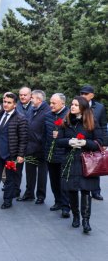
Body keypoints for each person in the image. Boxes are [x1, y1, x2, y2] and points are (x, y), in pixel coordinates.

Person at [56, 96, 103, 233]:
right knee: (71, 190)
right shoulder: (66, 121)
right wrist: (69, 142)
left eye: (76, 105)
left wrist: (85, 143)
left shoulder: (91, 121)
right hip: (70, 160)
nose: (73, 106)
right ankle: (75, 217)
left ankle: (86, 221)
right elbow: (59, 141)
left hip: (86, 161)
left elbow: (99, 142)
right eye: (72, 104)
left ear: (83, 107)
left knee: (85, 190)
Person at [19, 90, 50, 204]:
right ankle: (29, 193)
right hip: (30, 147)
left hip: (42, 148)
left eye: (32, 98)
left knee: (42, 174)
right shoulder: (32, 110)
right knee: (30, 172)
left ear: (39, 100)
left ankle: (41, 196)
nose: (30, 99)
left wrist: (42, 142)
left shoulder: (47, 111)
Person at [44, 93, 70, 218]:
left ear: (63, 103)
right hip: (50, 153)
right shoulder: (48, 115)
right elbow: (44, 134)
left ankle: (66, 206)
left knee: (64, 182)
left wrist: (60, 136)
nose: (51, 105)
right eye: (50, 102)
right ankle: (58, 202)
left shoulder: (70, 115)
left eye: (54, 103)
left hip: (65, 154)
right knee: (54, 180)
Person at [80, 85, 107, 201]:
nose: (83, 96)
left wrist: (104, 143)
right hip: (81, 140)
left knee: (96, 164)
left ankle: (96, 191)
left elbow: (103, 126)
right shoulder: (77, 105)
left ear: (92, 95)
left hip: (95, 140)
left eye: (86, 94)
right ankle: (83, 189)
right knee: (83, 165)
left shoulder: (99, 107)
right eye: (81, 93)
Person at [13, 86, 33, 199]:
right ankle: (15, 190)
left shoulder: (35, 106)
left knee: (30, 171)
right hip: (17, 143)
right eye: (21, 95)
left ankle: (29, 193)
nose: (22, 97)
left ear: (30, 95)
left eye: (25, 95)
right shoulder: (16, 106)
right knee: (16, 169)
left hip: (31, 144)